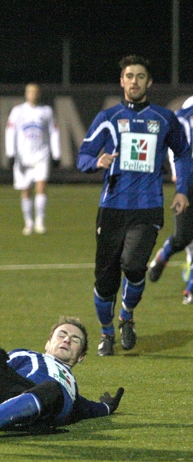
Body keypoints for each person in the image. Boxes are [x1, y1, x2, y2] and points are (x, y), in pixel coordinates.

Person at [76, 55, 191, 356]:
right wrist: (95, 161)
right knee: (105, 279)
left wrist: (182, 190)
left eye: (141, 76)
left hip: (148, 206)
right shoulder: (108, 117)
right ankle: (106, 333)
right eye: (130, 76)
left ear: (149, 82)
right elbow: (83, 155)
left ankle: (126, 316)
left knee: (134, 265)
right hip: (112, 207)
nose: (135, 81)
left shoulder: (165, 118)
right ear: (122, 81)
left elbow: (183, 153)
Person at [147, 95, 193, 304]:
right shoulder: (181, 118)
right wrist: (177, 174)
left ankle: (190, 289)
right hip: (188, 184)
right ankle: (164, 254)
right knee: (183, 236)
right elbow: (176, 147)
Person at [5, 83, 61, 235]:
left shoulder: (46, 111)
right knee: (26, 190)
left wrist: (56, 154)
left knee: (41, 186)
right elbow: (10, 132)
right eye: (30, 92)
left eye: (35, 92)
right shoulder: (17, 111)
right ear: (26, 94)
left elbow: (54, 132)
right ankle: (28, 222)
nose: (33, 94)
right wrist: (10, 153)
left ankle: (40, 221)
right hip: (23, 157)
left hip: (41, 155)